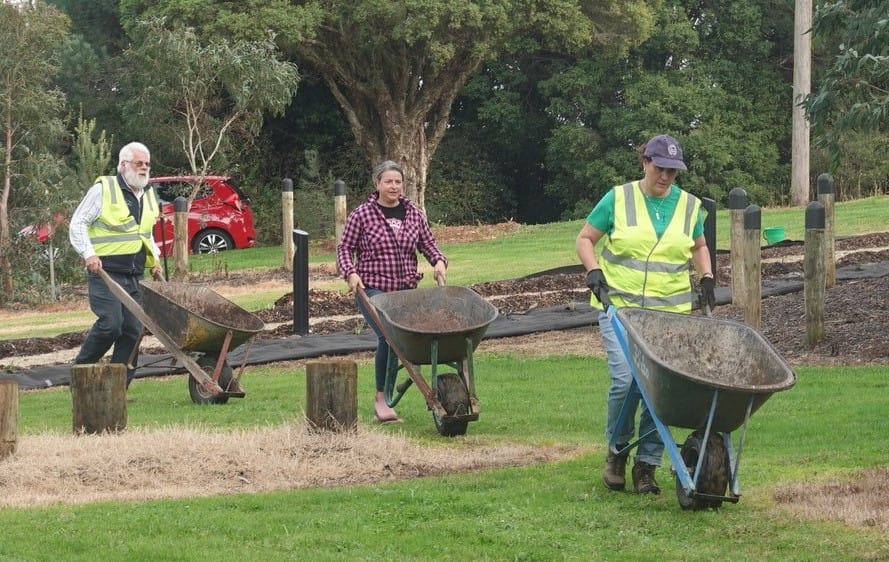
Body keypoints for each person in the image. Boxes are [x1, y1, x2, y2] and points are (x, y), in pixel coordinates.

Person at [575, 134, 716, 494]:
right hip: (619, 309)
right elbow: (585, 238)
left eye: (672, 170)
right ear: (645, 163)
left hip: (668, 315)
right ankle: (617, 450)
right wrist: (594, 272)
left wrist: (708, 276)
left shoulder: (688, 206)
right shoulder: (618, 198)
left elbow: (699, 246)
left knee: (660, 391)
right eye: (660, 167)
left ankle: (647, 465)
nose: (666, 176)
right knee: (626, 381)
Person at [336, 160, 448, 423]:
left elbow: (428, 244)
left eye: (398, 182)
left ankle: (418, 386)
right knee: (389, 337)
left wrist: (439, 261)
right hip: (373, 288)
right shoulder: (362, 215)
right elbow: (344, 249)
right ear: (377, 184)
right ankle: (381, 398)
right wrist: (350, 272)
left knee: (411, 339)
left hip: (406, 290)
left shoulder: (414, 214)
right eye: (388, 181)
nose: (394, 186)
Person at [69, 141, 164, 387]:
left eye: (147, 164)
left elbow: (145, 233)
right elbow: (78, 223)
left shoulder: (148, 194)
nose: (144, 168)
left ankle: (117, 386)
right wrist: (88, 253)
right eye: (138, 163)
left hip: (134, 274)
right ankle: (81, 373)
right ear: (123, 165)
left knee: (133, 331)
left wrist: (155, 259)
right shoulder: (104, 190)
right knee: (111, 325)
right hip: (105, 273)